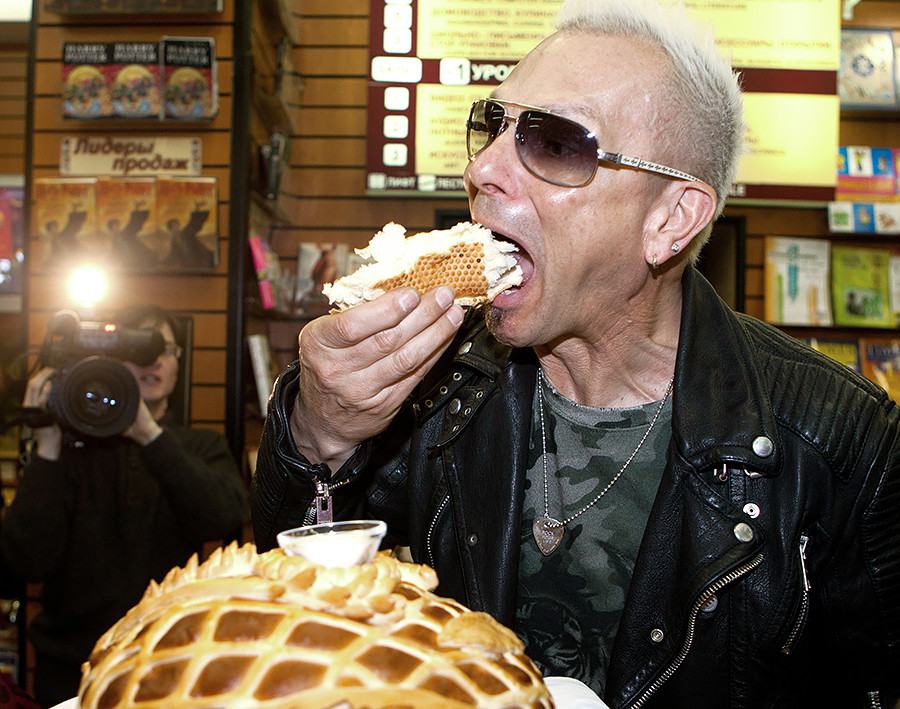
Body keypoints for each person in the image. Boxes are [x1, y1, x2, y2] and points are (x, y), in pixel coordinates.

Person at [250, 0, 900, 706]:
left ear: (670, 220)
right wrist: (321, 432)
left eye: (556, 142)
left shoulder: (840, 440)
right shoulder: (436, 386)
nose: (484, 170)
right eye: (492, 127)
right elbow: (299, 617)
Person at [0, 304, 248, 707]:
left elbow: (221, 517)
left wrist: (148, 433)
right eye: (136, 349)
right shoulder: (70, 454)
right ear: (108, 362)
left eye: (163, 348)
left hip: (169, 661)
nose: (152, 361)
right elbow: (27, 561)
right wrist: (46, 446)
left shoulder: (202, 447)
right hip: (70, 669)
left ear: (178, 363)